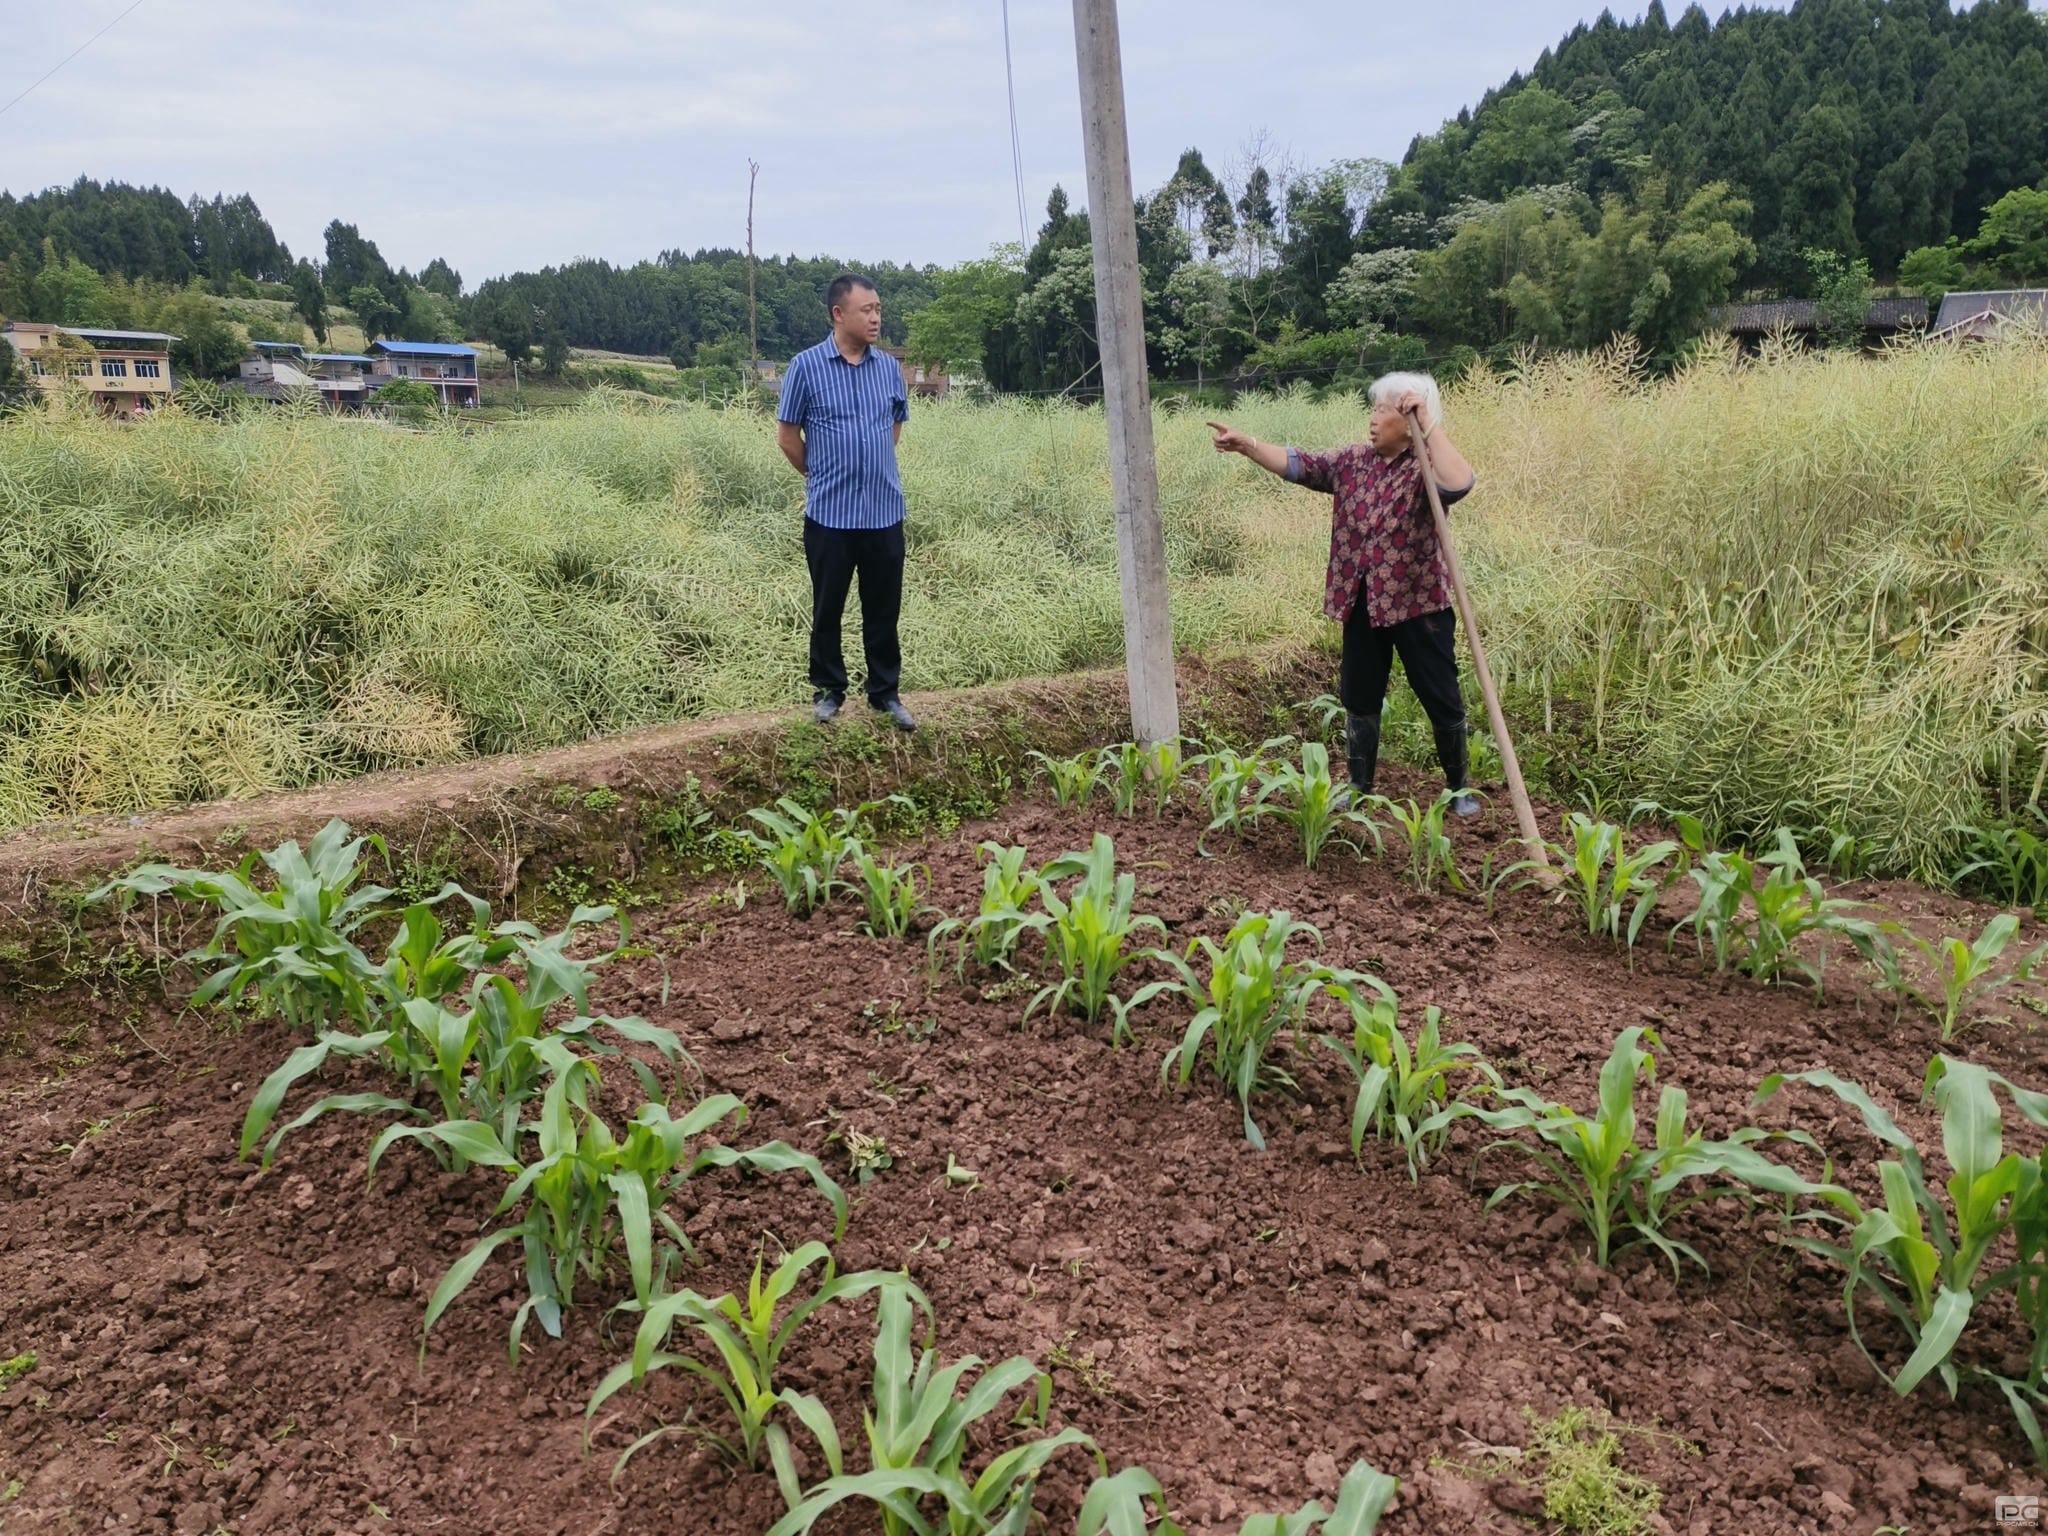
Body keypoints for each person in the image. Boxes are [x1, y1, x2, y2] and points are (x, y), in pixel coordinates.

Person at [1208, 372, 1481, 813]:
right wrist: (1249, 445)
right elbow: (1301, 465)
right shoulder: (1355, 462)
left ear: (1409, 419)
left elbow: (1460, 483)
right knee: (1360, 695)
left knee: (1441, 696)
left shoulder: (1426, 468)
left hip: (1419, 606)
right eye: (1372, 409)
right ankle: (1359, 785)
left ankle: (1459, 788)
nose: (1372, 420)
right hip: (1361, 601)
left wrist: (1428, 421)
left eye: (1382, 410)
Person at [775, 273, 916, 731]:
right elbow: (787, 436)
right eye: (866, 310)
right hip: (829, 515)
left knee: (883, 607)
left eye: (878, 309)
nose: (876, 317)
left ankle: (884, 692)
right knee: (828, 605)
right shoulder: (806, 366)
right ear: (839, 314)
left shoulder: (888, 369)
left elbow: (895, 425)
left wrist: (869, 463)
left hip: (882, 510)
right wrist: (820, 475)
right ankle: (829, 690)